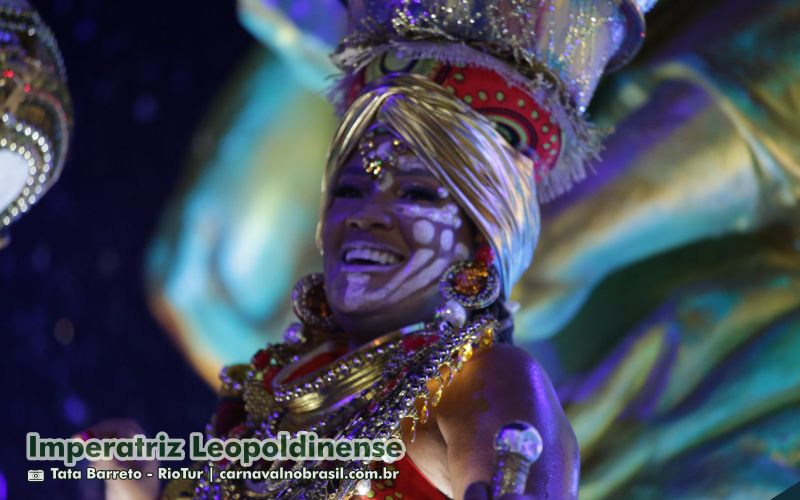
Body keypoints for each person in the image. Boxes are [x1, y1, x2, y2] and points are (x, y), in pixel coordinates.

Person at [95, 1, 655, 498]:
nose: (362, 213)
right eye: (349, 189)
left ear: (484, 232)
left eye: (414, 191)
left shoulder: (483, 380)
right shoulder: (273, 390)